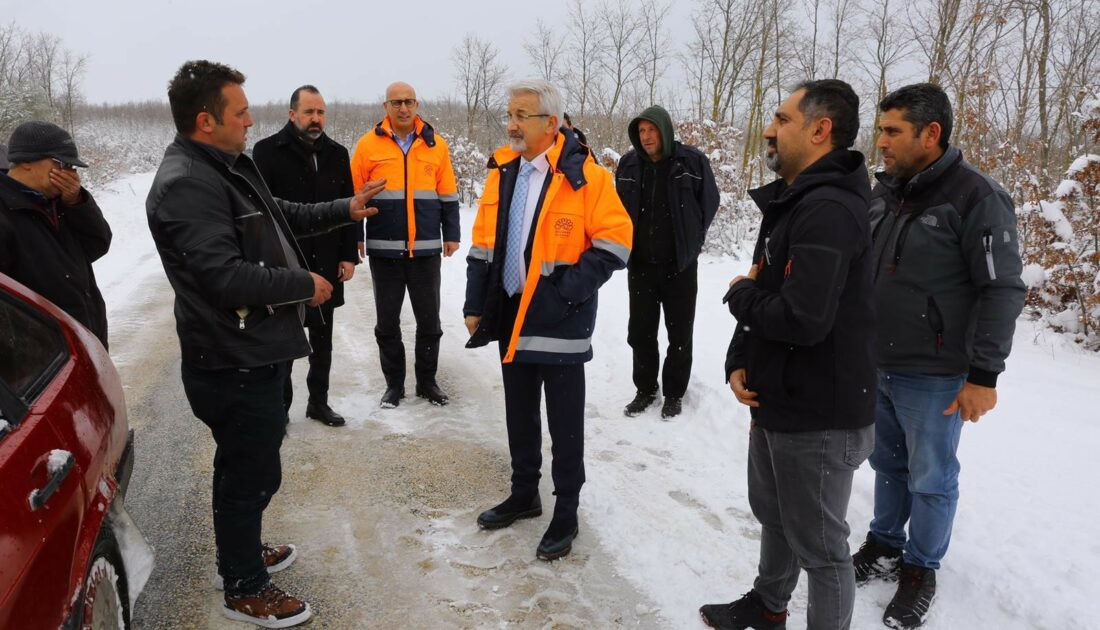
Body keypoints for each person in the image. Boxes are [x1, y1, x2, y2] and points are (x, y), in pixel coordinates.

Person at [146, 59, 384, 628]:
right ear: (207, 120)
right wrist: (304, 283)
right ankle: (244, 587)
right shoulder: (188, 184)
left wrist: (342, 209)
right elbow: (223, 277)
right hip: (232, 354)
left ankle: (241, 551)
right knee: (249, 469)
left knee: (252, 464)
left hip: (258, 347)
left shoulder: (227, 165)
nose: (252, 120)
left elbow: (280, 219)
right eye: (242, 111)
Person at [701, 79, 876, 630]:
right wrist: (738, 357)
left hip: (819, 412)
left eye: (782, 119)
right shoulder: (793, 200)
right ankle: (769, 606)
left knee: (821, 549)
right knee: (776, 517)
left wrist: (738, 296)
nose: (770, 129)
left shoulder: (828, 210)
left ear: (820, 130)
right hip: (779, 396)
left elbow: (801, 317)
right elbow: (765, 282)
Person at [852, 83, 1025, 629]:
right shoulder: (884, 193)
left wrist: (984, 375)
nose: (881, 142)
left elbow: (1002, 289)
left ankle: (921, 569)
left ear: (931, 133)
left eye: (892, 131)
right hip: (877, 361)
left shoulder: (977, 196)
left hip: (936, 374)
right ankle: (884, 543)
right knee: (887, 463)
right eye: (881, 130)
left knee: (931, 476)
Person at [464, 79, 632, 561]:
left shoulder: (588, 176)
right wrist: (476, 304)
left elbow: (615, 243)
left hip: (560, 317)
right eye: (509, 115)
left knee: (564, 422)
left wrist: (564, 294)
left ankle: (567, 509)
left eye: (522, 115)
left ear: (551, 124)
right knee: (519, 410)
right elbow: (483, 244)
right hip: (510, 313)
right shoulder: (503, 170)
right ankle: (524, 494)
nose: (512, 125)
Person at [350, 82, 460, 408]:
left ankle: (427, 383)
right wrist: (356, 235)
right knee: (387, 324)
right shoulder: (368, 146)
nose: (403, 108)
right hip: (384, 250)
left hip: (425, 249)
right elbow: (353, 197)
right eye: (396, 102)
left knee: (430, 323)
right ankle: (394, 386)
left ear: (417, 104)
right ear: (386, 106)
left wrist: (451, 233)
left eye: (409, 102)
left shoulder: (435, 145)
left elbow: (449, 195)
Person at [253, 85, 357, 427]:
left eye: (321, 112)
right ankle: (279, 409)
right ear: (292, 113)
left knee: (323, 342)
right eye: (309, 112)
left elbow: (348, 206)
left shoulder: (338, 154)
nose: (316, 119)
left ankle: (319, 403)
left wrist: (348, 255)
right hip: (286, 265)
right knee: (283, 343)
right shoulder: (267, 152)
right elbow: (260, 215)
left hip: (327, 259)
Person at [615, 105, 719, 418]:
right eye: (641, 131)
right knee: (641, 331)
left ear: (665, 130)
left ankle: (674, 393)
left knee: (679, 334)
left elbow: (709, 203)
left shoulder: (691, 161)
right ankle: (645, 389)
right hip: (642, 266)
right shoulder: (629, 165)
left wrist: (693, 241)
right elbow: (618, 210)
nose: (646, 137)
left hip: (680, 267)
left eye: (652, 130)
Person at [0, 121, 111, 347]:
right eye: (62, 164)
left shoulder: (59, 202)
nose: (70, 174)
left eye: (72, 167)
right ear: (26, 161)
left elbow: (98, 245)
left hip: (86, 344)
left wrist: (78, 203)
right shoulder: (5, 211)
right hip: (45, 360)